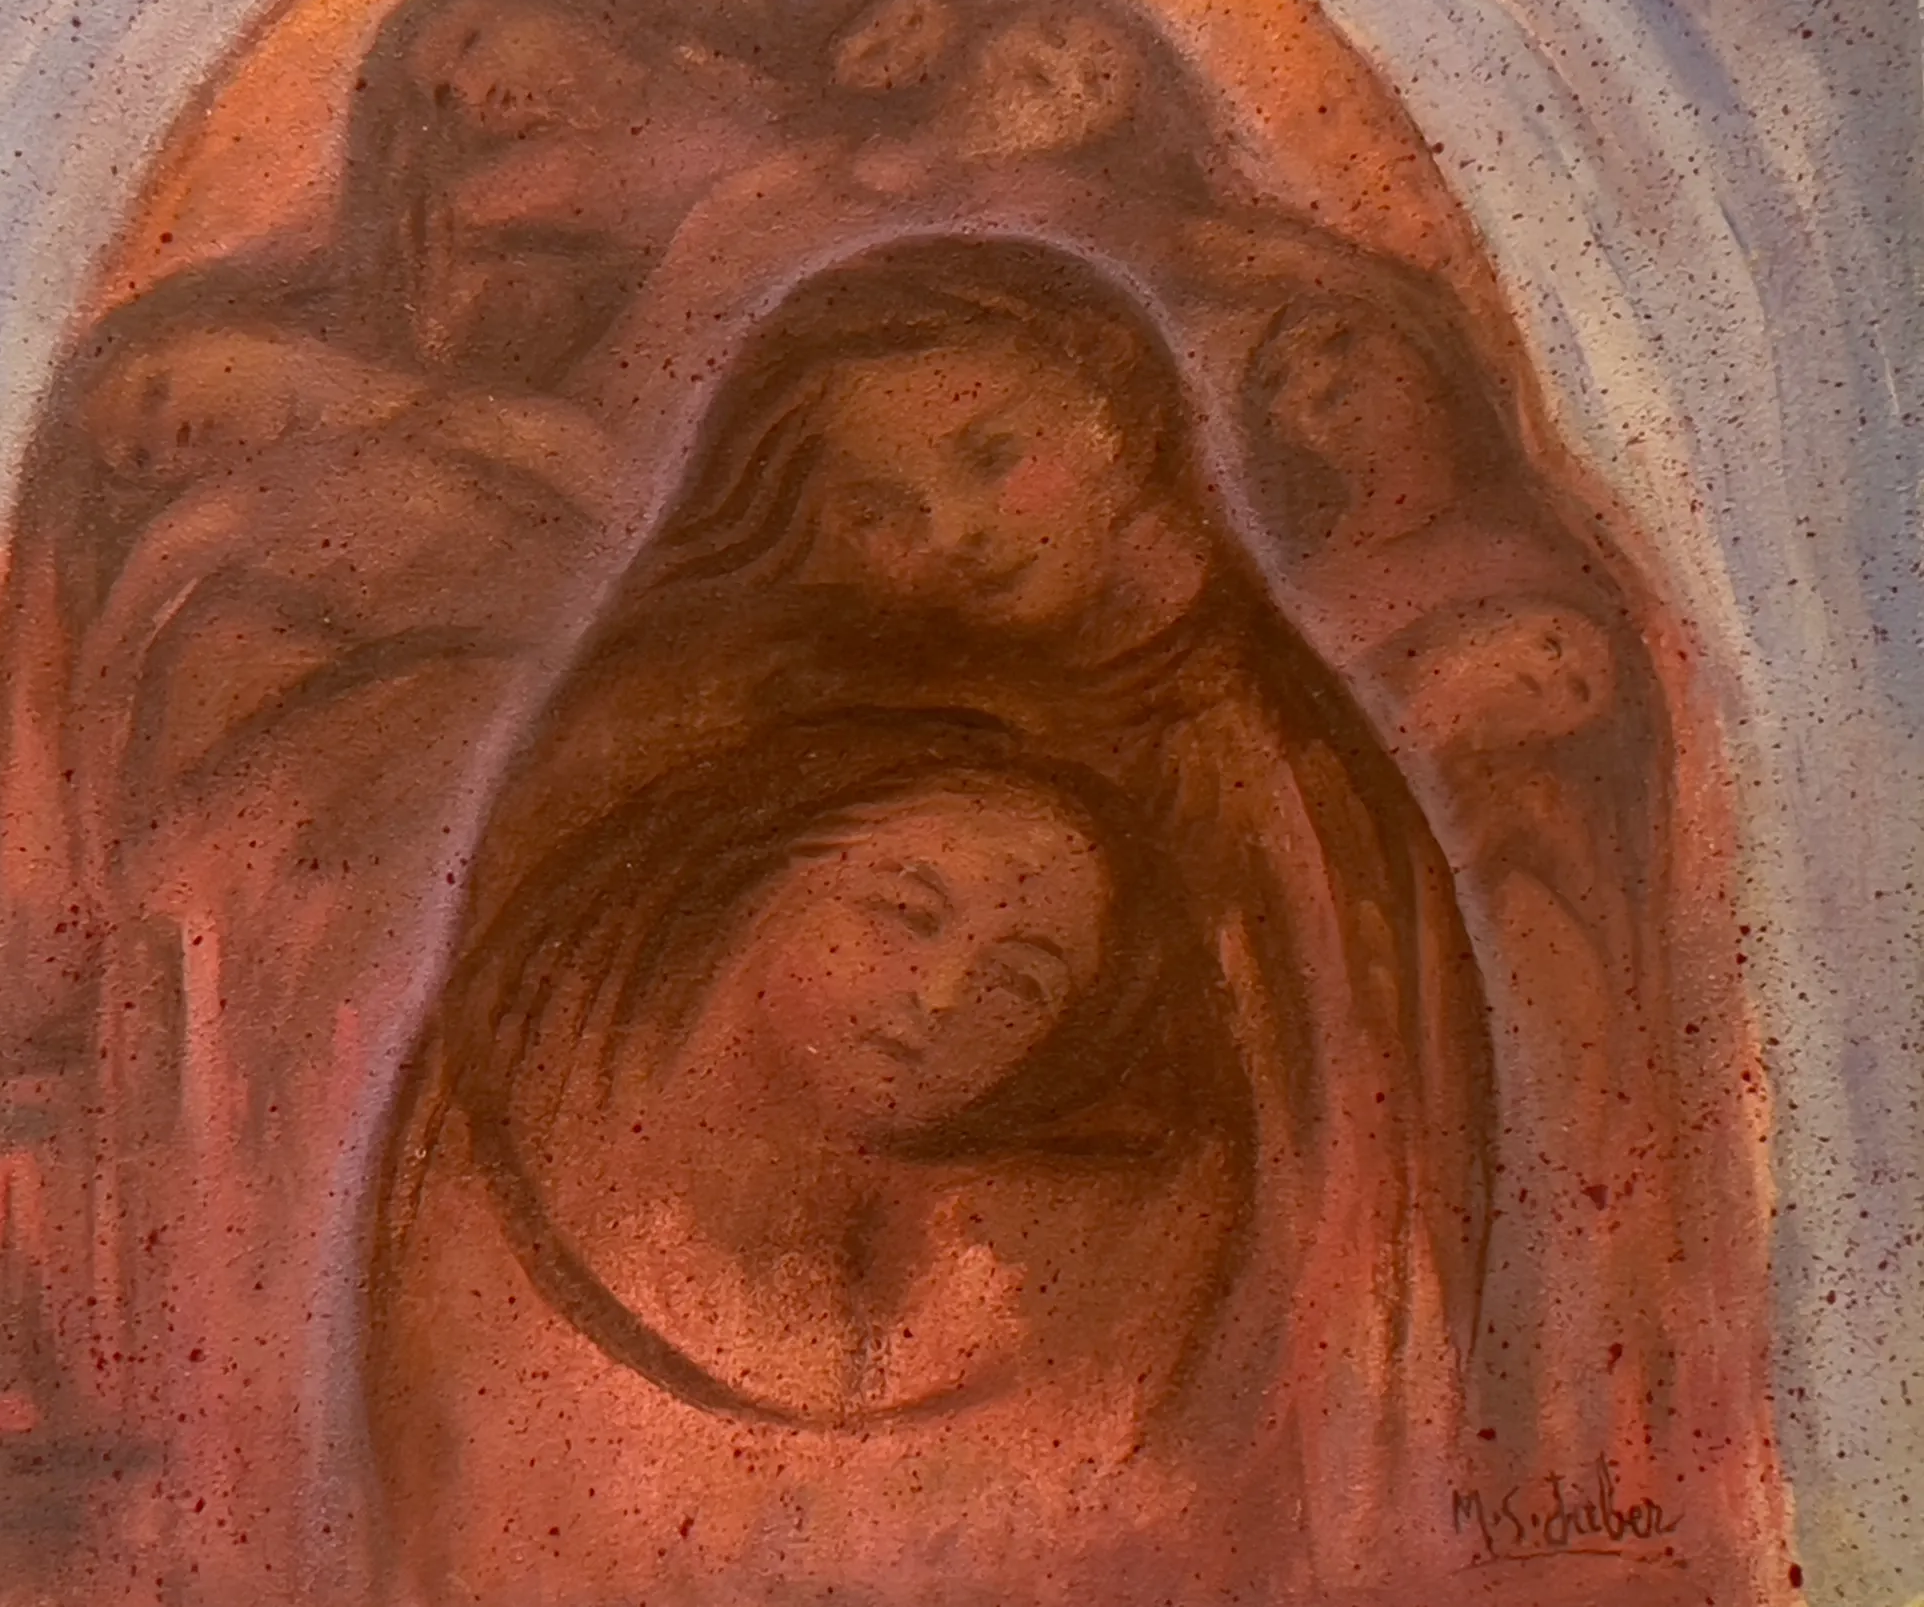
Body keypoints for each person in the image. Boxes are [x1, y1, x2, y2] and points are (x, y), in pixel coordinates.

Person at [466, 234, 1500, 1589]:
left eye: (994, 454)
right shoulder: (749, 694)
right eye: (878, 508)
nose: (951, 530)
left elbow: (1335, 1146)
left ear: (1127, 415)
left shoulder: (1266, 775)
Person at [369, 714, 1274, 1605]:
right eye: (907, 912)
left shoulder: (988, 1300)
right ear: (770, 874)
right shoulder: (466, 1208)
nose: (944, 995)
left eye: (1019, 982)